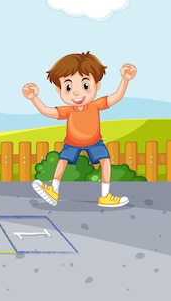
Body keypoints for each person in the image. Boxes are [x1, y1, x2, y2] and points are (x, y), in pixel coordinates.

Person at [22, 51, 137, 207]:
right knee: (62, 161)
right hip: (72, 143)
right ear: (59, 89)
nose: (76, 92)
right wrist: (34, 99)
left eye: (85, 85)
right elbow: (47, 111)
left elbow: (116, 96)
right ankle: (53, 190)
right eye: (68, 86)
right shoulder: (68, 110)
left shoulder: (96, 105)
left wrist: (125, 79)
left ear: (97, 85)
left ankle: (105, 196)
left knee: (105, 162)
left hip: (94, 142)